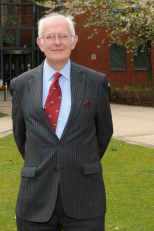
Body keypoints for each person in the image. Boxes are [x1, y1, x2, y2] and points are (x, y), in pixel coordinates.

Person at [10, 13, 113, 231]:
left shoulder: (96, 82)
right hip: (35, 198)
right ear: (40, 43)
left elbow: (104, 133)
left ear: (74, 41)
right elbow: (21, 136)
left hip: (85, 198)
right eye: (50, 37)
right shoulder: (21, 85)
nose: (57, 42)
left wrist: (79, 159)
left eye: (63, 36)